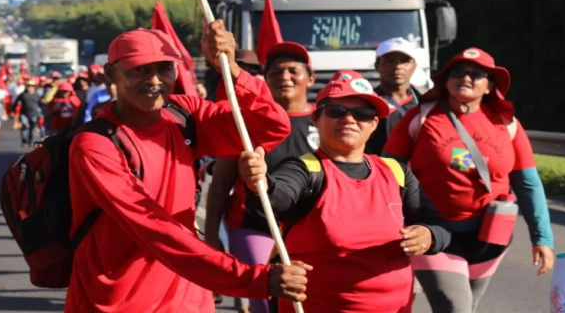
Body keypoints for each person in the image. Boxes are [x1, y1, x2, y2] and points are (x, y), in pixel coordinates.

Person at [64, 22, 310, 312]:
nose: (155, 80)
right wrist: (250, 278)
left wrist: (230, 67)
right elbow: (154, 228)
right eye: (139, 69)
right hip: (118, 300)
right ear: (110, 74)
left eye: (164, 69)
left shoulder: (183, 113)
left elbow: (271, 126)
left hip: (188, 297)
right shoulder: (94, 144)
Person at [238, 71, 451, 312]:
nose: (349, 119)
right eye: (337, 111)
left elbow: (440, 228)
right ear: (316, 119)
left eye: (362, 114)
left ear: (373, 124)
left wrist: (429, 235)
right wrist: (261, 181)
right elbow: (277, 195)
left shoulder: (396, 173)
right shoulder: (307, 169)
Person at [383, 47, 554, 313]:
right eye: (458, 72)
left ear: (489, 86)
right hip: (433, 232)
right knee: (456, 308)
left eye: (476, 74)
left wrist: (542, 238)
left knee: (466, 308)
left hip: (491, 235)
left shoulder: (507, 124)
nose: (466, 78)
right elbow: (387, 175)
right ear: (446, 79)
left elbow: (528, 183)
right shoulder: (419, 118)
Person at [203, 41, 319, 313]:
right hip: (253, 226)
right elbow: (221, 180)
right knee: (266, 302)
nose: (285, 77)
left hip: (310, 231)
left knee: (308, 301)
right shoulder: (246, 122)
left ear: (310, 78)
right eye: (276, 72)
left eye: (293, 70)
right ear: (264, 80)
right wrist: (211, 235)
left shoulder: (329, 118)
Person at [366, 37, 421, 155]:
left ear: (414, 66)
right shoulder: (367, 104)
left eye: (405, 61)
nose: (398, 67)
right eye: (390, 61)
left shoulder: (426, 102)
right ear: (377, 66)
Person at [15, 80, 43, 146]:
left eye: (31, 86)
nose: (30, 88)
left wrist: (40, 114)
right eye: (28, 86)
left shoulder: (37, 95)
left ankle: (31, 140)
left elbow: (41, 105)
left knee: (32, 128)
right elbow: (16, 103)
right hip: (24, 114)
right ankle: (24, 140)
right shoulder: (22, 95)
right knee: (24, 126)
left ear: (34, 87)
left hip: (34, 114)